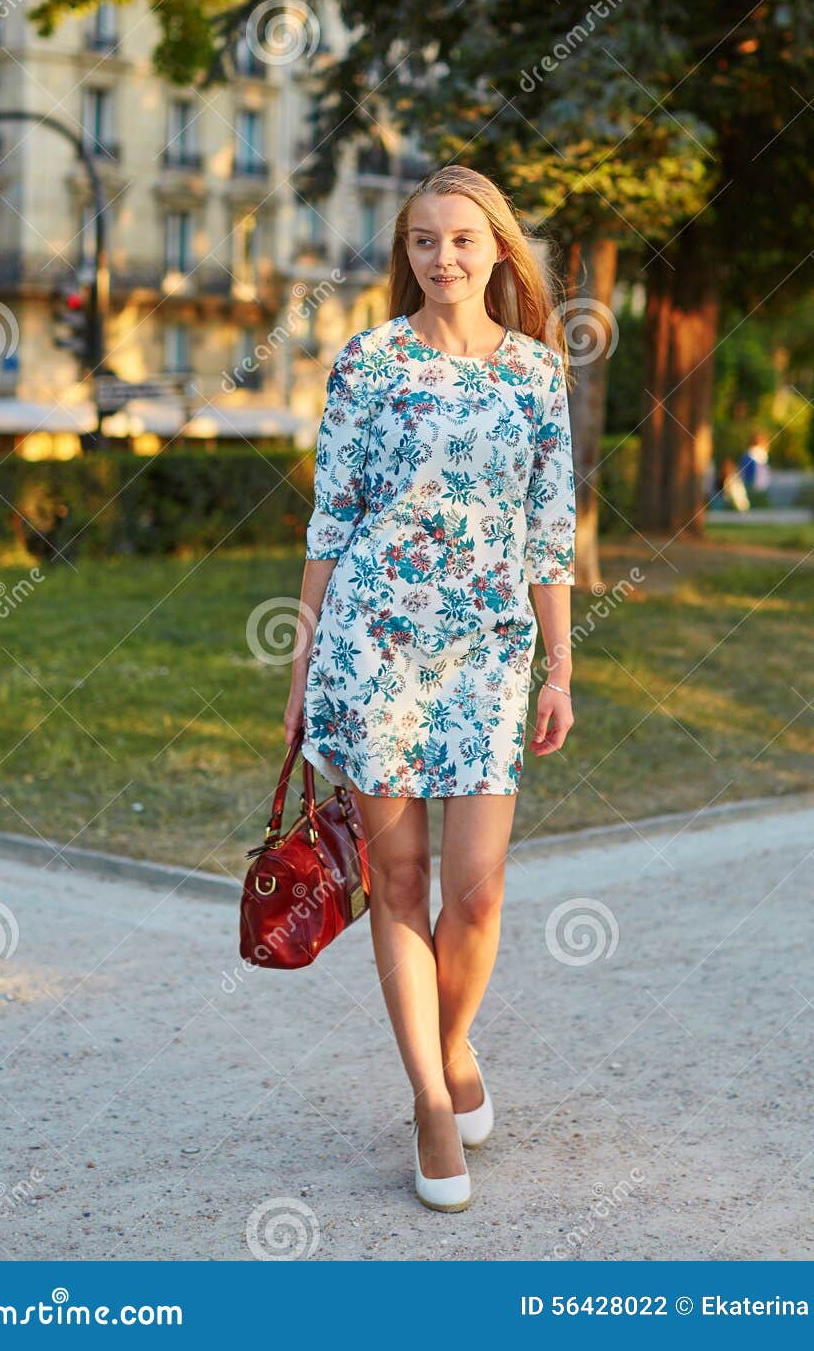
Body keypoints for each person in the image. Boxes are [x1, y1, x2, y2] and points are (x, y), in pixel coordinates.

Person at [284, 165, 577, 1212]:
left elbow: (549, 532)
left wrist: (559, 667)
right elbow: (331, 518)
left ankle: (451, 1044)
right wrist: (303, 663)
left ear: (497, 249)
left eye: (460, 239)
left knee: (480, 887)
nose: (441, 258)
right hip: (373, 646)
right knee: (397, 885)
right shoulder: (367, 361)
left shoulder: (536, 374)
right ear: (403, 252)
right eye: (420, 240)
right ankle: (426, 1099)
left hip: (491, 655)